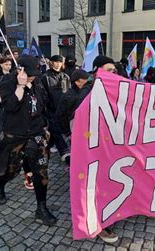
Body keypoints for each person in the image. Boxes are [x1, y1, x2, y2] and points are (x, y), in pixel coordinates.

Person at [0, 56, 56, 225]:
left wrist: (45, 127)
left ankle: (41, 208)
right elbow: (9, 106)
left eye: (34, 74)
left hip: (37, 133)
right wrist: (21, 85)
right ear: (20, 70)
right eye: (29, 74)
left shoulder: (38, 83)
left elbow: (43, 106)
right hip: (15, 134)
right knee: (11, 169)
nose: (32, 77)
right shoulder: (7, 81)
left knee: (41, 171)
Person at [63, 55, 119, 243]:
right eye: (109, 70)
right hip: (91, 146)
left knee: (107, 181)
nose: (114, 73)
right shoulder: (87, 91)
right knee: (93, 184)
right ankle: (98, 224)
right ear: (97, 71)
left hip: (108, 144)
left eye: (114, 70)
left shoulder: (115, 88)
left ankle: (107, 215)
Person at [41, 55, 71, 157]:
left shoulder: (65, 77)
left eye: (60, 62)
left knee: (57, 129)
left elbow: (68, 93)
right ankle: (64, 151)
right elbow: (43, 94)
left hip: (63, 108)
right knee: (55, 129)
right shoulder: (45, 77)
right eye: (56, 62)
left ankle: (49, 145)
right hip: (50, 108)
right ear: (52, 63)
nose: (58, 64)